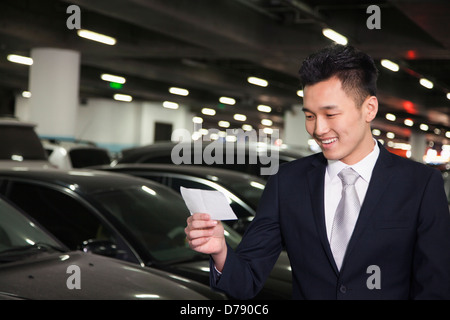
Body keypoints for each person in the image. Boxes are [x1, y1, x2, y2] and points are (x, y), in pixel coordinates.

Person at [184, 44, 450, 299]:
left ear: (369, 108)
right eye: (310, 116)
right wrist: (220, 251)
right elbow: (245, 282)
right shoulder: (286, 183)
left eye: (330, 115)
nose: (318, 129)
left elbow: (435, 287)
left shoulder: (420, 184)